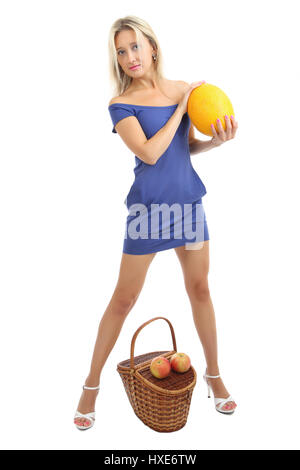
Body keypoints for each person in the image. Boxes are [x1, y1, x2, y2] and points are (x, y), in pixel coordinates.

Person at [74, 15, 238, 430]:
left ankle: (215, 377)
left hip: (188, 207)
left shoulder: (183, 89)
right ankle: (90, 387)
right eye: (121, 51)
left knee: (200, 289)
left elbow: (182, 149)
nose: (130, 57)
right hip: (148, 213)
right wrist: (181, 108)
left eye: (134, 46)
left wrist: (215, 141)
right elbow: (149, 153)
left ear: (153, 47)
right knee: (124, 300)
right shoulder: (120, 104)